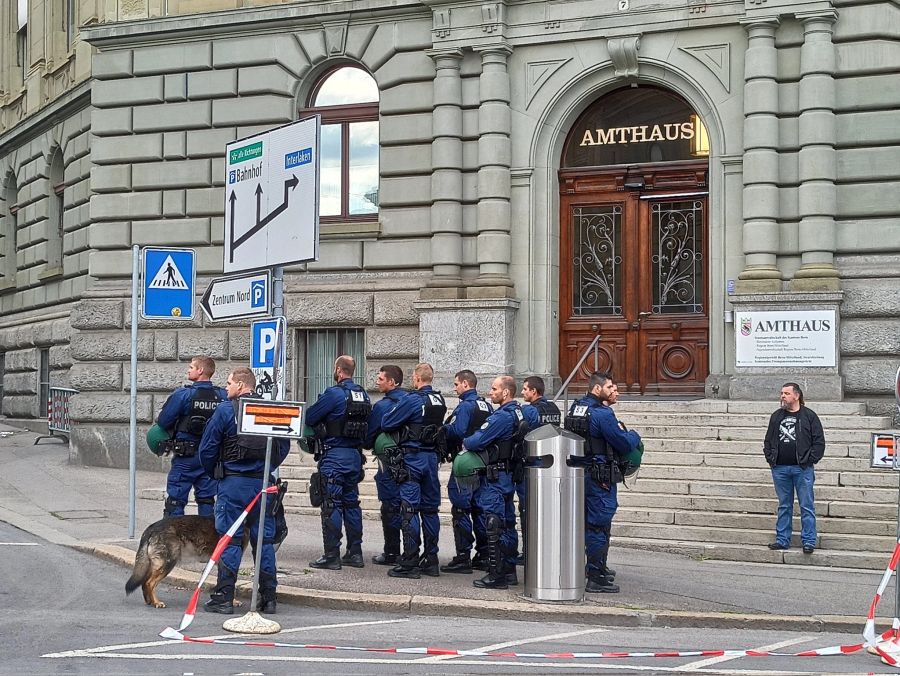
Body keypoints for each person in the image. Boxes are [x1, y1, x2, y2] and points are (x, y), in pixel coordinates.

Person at [198, 367, 290, 614]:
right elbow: (283, 445)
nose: (226, 387)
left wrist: (218, 473)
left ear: (240, 385)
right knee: (265, 541)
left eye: (229, 383)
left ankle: (224, 597)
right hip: (263, 484)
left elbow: (207, 450)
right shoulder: (270, 409)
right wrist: (267, 466)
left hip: (233, 483)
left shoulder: (226, 410)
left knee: (230, 540)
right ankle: (269, 598)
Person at [565, 371, 640, 594]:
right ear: (597, 389)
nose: (614, 392)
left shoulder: (577, 408)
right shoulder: (603, 414)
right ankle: (596, 576)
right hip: (600, 477)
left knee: (588, 523)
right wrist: (634, 435)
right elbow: (624, 444)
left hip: (581, 473)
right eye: (610, 388)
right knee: (599, 524)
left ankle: (596, 569)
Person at [305, 355, 372, 570]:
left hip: (334, 456)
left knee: (331, 505)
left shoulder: (334, 394)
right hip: (354, 457)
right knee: (352, 504)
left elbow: (309, 417)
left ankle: (332, 555)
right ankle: (355, 552)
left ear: (338, 370)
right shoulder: (363, 395)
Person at [381, 363, 446, 579]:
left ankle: (410, 561)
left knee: (409, 510)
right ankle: (431, 560)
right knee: (430, 510)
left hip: (413, 458)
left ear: (417, 378)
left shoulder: (412, 399)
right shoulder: (439, 400)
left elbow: (387, 422)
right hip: (431, 460)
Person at [462, 375, 526, 590]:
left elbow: (476, 440)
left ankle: (496, 574)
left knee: (493, 524)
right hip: (507, 475)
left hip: (495, 477)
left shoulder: (500, 417)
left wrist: (466, 440)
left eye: (494, 388)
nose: (491, 392)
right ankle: (508, 572)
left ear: (506, 392)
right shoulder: (519, 412)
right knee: (508, 524)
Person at [156, 355, 226, 518]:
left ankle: (174, 540)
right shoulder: (222, 395)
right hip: (210, 457)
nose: (188, 370)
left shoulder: (183, 395)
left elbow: (163, 421)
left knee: (175, 502)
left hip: (185, 458)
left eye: (191, 367)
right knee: (207, 500)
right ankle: (208, 541)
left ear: (200, 370)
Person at [440, 370, 493, 574]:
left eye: (456, 384)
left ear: (465, 383)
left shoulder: (465, 406)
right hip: (481, 462)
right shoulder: (485, 405)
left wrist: (444, 430)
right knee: (479, 509)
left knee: (461, 509)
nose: (454, 388)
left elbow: (459, 431)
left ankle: (463, 556)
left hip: (464, 463)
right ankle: (484, 554)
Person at [763, 383, 825, 554]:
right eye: (782, 393)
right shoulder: (776, 416)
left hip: (802, 469)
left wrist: (809, 460)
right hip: (780, 469)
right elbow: (768, 440)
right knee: (784, 505)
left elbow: (819, 442)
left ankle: (809, 541)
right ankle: (782, 540)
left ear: (796, 396)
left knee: (806, 505)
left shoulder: (809, 416)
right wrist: (770, 459)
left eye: (787, 393)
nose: (783, 396)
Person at [365, 365, 407, 566]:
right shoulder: (411, 402)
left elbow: (369, 436)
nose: (377, 381)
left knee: (390, 506)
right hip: (410, 462)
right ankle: (411, 553)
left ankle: (391, 553)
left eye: (381, 378)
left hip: (388, 464)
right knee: (408, 507)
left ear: (392, 382)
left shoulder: (382, 406)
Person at [517, 376, 561, 563]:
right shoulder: (554, 409)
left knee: (528, 511)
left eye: (525, 389)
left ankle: (529, 552)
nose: (522, 392)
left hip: (532, 466)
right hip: (551, 465)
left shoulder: (528, 411)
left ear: (534, 391)